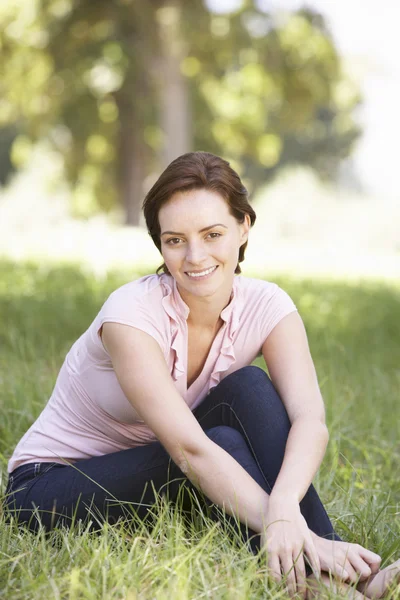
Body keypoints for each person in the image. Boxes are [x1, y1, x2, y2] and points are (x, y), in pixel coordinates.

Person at [3, 152, 399, 599]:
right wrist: (284, 523)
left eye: (213, 234)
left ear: (244, 226)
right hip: (50, 488)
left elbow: (311, 420)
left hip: (157, 471)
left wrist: (286, 506)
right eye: (175, 240)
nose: (195, 257)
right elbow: (190, 449)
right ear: (159, 245)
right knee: (219, 446)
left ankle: (336, 566)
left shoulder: (268, 307)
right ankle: (331, 578)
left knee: (248, 384)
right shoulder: (130, 317)